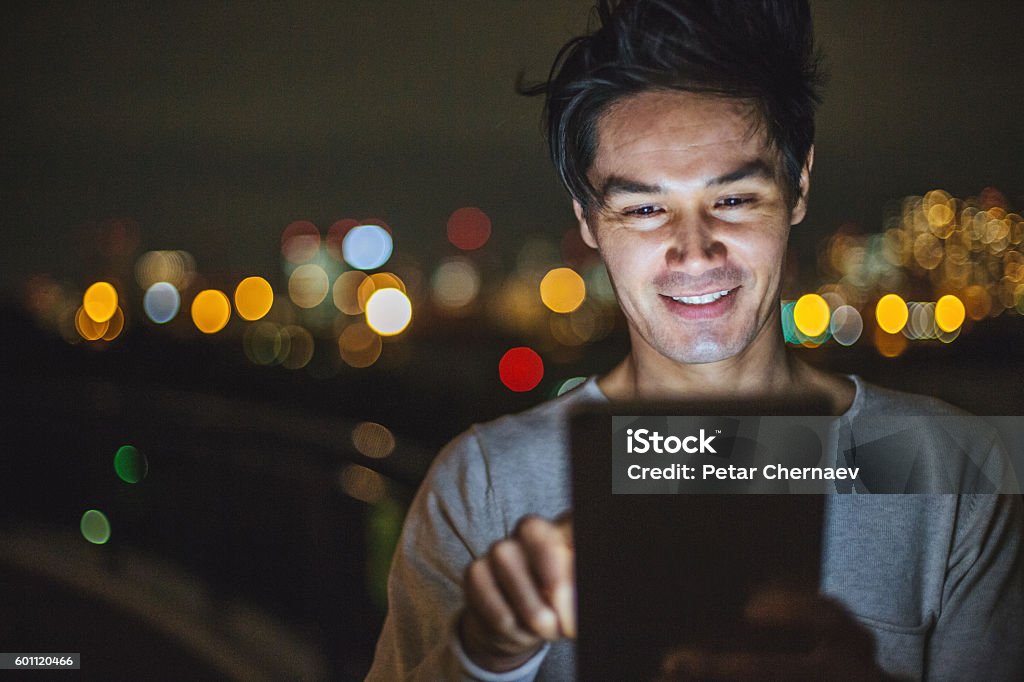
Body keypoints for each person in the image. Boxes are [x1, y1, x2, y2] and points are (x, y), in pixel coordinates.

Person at [366, 1, 1024, 679]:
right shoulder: (484, 486)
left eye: (734, 199)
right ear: (588, 220)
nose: (694, 250)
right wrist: (485, 652)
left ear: (798, 185)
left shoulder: (952, 477)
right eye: (646, 208)